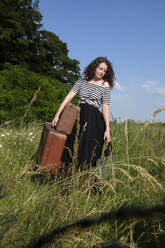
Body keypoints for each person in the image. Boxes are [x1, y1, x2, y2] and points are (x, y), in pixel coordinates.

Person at [51, 57, 115, 170]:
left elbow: (105, 107)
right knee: (71, 146)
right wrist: (57, 115)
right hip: (79, 116)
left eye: (104, 71)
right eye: (100, 68)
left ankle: (85, 179)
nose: (101, 72)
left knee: (87, 150)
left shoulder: (105, 84)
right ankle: (66, 178)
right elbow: (68, 98)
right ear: (94, 67)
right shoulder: (81, 81)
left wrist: (108, 129)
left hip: (94, 120)